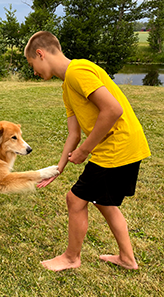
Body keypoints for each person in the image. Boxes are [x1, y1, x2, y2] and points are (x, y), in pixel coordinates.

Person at [24, 31, 151, 271]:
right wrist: (58, 168)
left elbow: (113, 110)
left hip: (118, 146)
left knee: (75, 199)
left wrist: (84, 151)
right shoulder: (67, 86)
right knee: (103, 202)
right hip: (123, 145)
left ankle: (71, 258)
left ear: (40, 54)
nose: (34, 71)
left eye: (32, 65)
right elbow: (74, 133)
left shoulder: (77, 72)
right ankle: (127, 259)